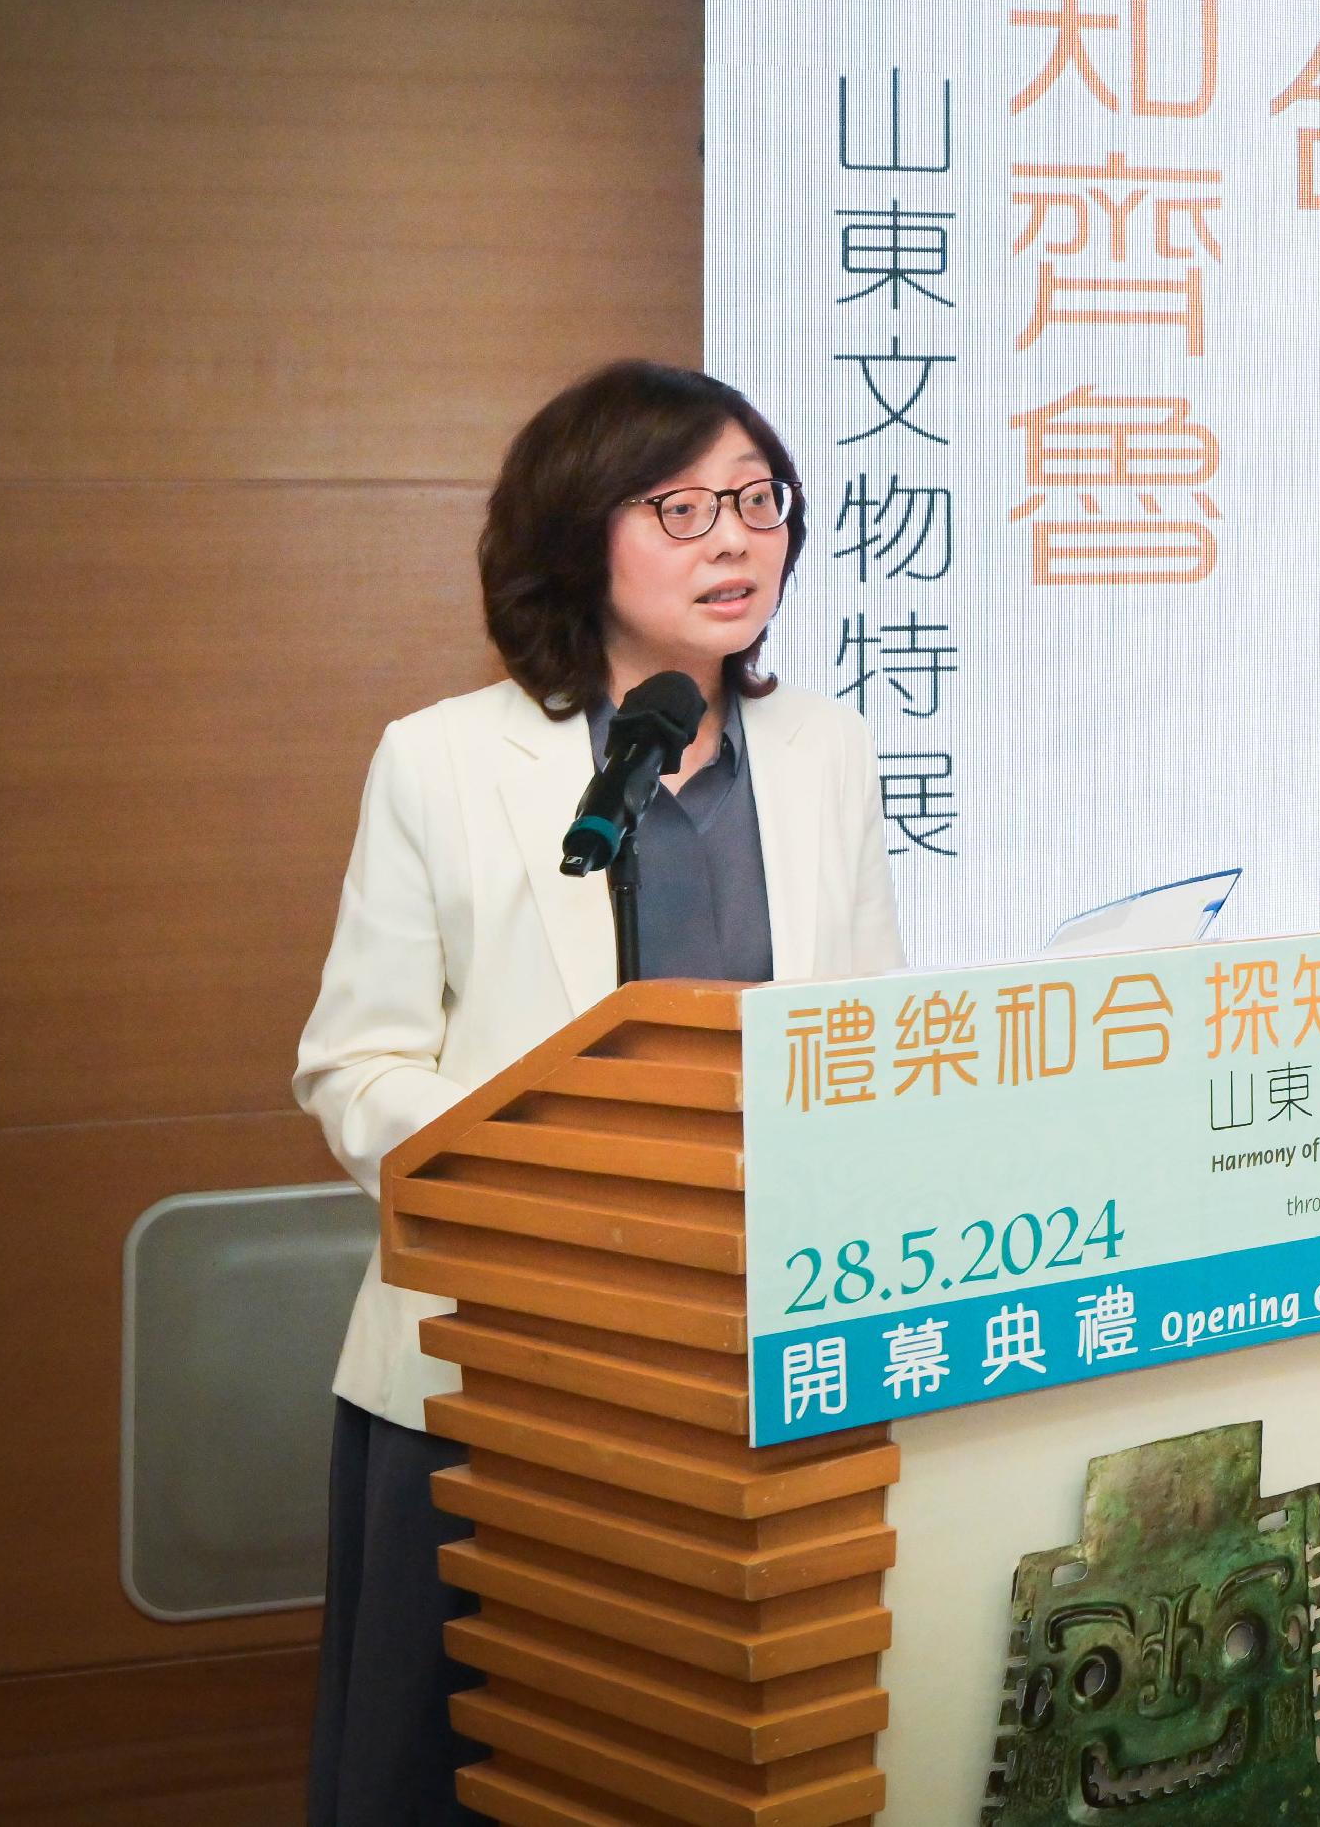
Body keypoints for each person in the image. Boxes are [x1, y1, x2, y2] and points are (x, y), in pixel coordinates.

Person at [290, 360, 904, 1825]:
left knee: (730, 1749)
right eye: (681, 506)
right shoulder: (443, 762)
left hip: (765, 1350)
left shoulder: (824, 751)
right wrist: (539, 1188)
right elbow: (352, 1063)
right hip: (511, 1353)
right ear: (581, 537)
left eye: (759, 501)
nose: (736, 540)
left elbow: (874, 1035)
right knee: (476, 1768)